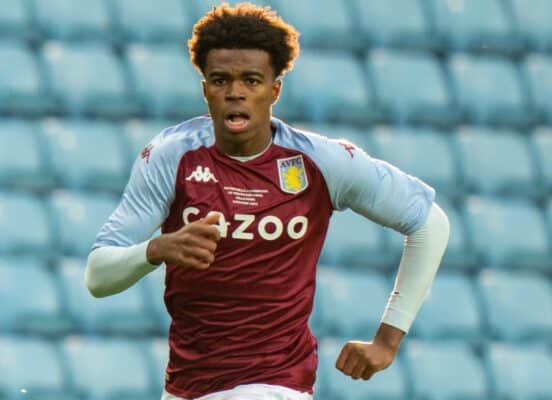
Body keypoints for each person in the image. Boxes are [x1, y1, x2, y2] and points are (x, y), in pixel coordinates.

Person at [85, 2, 450, 399]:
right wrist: (155, 249)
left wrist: (387, 339)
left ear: (275, 88)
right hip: (187, 386)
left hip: (276, 383)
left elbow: (430, 223)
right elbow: (98, 277)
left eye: (251, 81)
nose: (235, 93)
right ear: (204, 87)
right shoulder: (172, 157)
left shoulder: (321, 162)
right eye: (221, 80)